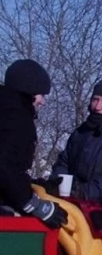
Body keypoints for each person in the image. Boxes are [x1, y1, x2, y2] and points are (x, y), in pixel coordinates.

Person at [0, 59, 67, 229]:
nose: (42, 102)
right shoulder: (16, 118)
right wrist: (34, 204)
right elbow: (4, 165)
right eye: (41, 94)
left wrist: (33, 183)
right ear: (29, 91)